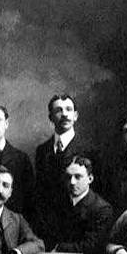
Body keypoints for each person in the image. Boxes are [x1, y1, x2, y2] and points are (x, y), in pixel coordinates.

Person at [34, 94, 93, 236]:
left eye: (69, 109)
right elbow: (40, 191)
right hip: (48, 225)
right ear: (51, 117)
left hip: (79, 222)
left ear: (76, 115)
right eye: (59, 110)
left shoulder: (89, 149)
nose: (65, 114)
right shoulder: (42, 150)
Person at [45, 156, 113, 254]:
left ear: (90, 178)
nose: (72, 182)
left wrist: (60, 248)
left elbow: (93, 247)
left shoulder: (101, 209)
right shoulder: (56, 204)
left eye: (78, 177)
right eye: (69, 177)